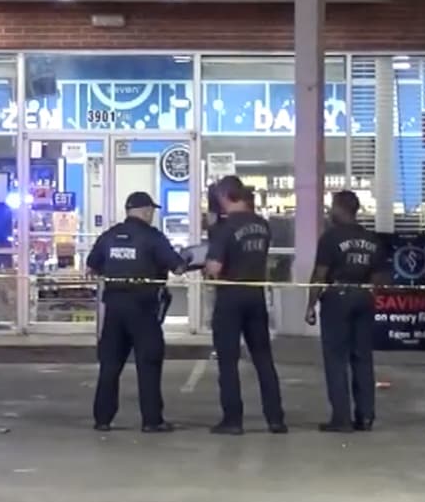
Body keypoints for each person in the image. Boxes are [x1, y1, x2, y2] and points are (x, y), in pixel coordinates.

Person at [86, 191, 189, 433]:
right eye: (151, 211)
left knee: (110, 365)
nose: (151, 215)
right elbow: (178, 267)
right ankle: (152, 420)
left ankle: (103, 419)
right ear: (146, 211)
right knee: (149, 364)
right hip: (143, 309)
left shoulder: (109, 236)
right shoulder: (152, 237)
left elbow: (91, 267)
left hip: (114, 309)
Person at [205, 175, 287, 435]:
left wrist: (206, 264)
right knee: (263, 358)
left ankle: (233, 420)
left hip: (230, 296)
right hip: (255, 295)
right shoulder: (263, 225)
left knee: (228, 361)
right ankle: (275, 419)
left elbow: (214, 269)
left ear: (225, 197)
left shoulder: (225, 229)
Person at [306, 190, 388, 433]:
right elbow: (380, 280)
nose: (331, 212)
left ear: (342, 209)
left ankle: (341, 418)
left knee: (336, 359)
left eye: (333, 207)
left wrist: (310, 305)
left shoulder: (330, 238)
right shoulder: (372, 239)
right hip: (364, 298)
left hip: (337, 299)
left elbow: (320, 274)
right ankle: (366, 417)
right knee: (362, 358)